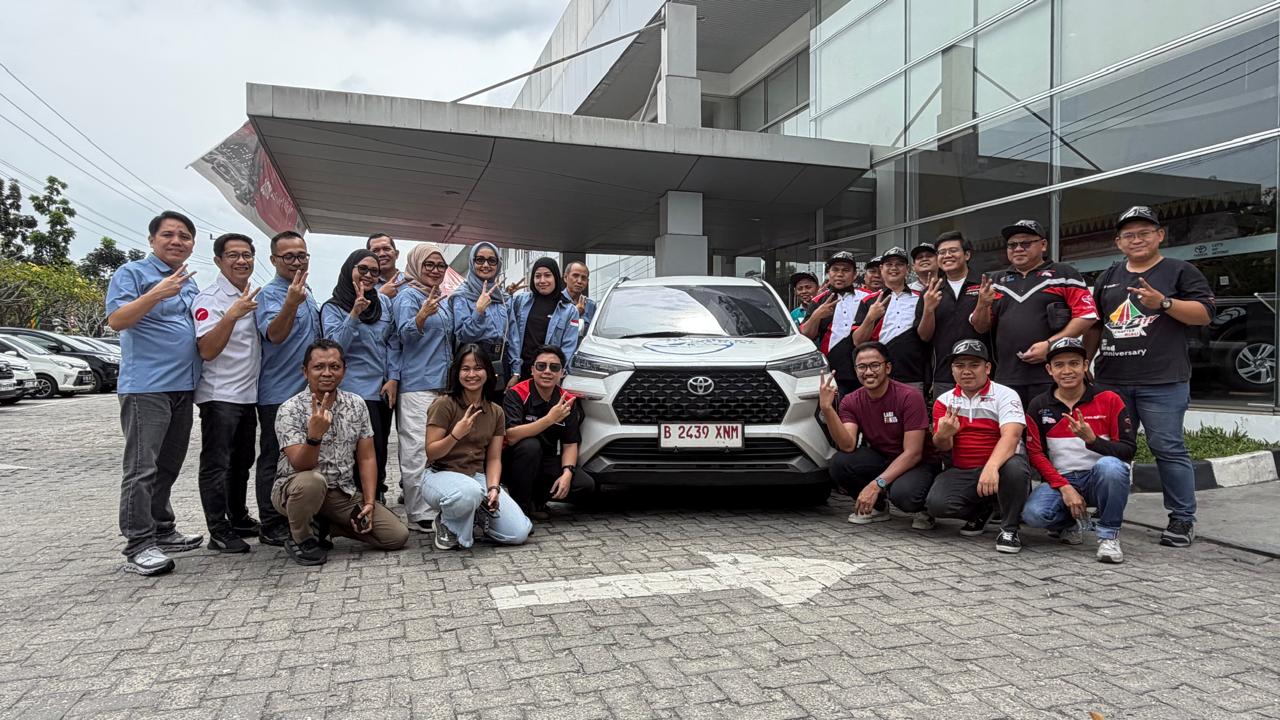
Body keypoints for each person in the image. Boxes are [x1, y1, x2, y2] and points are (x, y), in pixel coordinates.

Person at [1086, 206, 1215, 548]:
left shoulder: (1180, 271)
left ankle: (1182, 518)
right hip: (1112, 379)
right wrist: (1084, 361)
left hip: (1162, 381)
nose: (1137, 239)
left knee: (1167, 448)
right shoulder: (1108, 276)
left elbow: (1204, 314)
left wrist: (1165, 303)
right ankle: (1107, 513)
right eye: (1129, 235)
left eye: (1144, 233)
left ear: (1160, 236)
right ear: (1118, 242)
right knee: (1111, 449)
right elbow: (1096, 325)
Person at [105, 210, 205, 576]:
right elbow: (117, 320)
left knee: (168, 464)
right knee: (141, 468)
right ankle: (138, 545)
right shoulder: (132, 273)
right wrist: (156, 293)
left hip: (183, 386)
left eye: (184, 236)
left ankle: (163, 529)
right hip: (146, 387)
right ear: (152, 240)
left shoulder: (189, 282)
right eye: (168, 234)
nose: (177, 241)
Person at [271, 339, 409, 565]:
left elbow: (367, 458)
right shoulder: (290, 409)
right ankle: (301, 538)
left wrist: (369, 502)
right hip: (296, 489)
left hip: (341, 492)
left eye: (334, 367)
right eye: (319, 367)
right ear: (305, 371)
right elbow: (301, 465)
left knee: (396, 536)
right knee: (312, 482)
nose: (327, 373)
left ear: (344, 370)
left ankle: (326, 525)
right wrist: (314, 436)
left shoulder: (356, 404)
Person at [1022, 338, 1136, 564]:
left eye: (1074, 363)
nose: (1067, 371)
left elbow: (1128, 450)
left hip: (1098, 477)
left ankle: (1109, 536)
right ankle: (1069, 523)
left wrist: (1093, 441)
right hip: (1062, 480)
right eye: (1059, 365)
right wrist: (1064, 487)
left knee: (1111, 467)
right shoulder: (1039, 405)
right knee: (1033, 515)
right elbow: (1035, 454)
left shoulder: (1109, 399)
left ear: (1085, 366)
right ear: (1049, 370)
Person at [971, 219, 1098, 408]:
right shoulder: (995, 281)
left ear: (1043, 245)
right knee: (1013, 426)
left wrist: (1050, 345)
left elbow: (1087, 316)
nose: (1018, 249)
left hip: (1054, 375)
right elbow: (980, 327)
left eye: (1025, 243)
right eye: (1012, 245)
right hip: (1007, 377)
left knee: (1056, 425)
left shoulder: (1064, 273)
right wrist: (982, 304)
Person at [420, 344, 532, 550]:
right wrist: (456, 434)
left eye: (478, 368)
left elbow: (494, 458)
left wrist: (493, 488)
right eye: (465, 369)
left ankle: (476, 513)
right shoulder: (444, 404)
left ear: (489, 372)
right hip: (439, 475)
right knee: (469, 493)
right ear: (457, 373)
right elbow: (432, 452)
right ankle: (447, 523)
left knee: (518, 532)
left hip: (476, 478)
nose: (472, 374)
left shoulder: (496, 411)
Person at [925, 339, 1032, 554]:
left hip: (1001, 467)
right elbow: (943, 446)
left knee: (1015, 468)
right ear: (952, 370)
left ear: (988, 368)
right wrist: (943, 434)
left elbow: (1011, 436)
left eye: (974, 365)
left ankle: (1009, 529)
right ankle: (982, 510)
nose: (966, 371)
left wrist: (991, 467)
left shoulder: (1005, 394)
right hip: (964, 469)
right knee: (937, 504)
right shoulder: (944, 400)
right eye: (959, 366)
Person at [192, 233, 262, 553]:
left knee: (242, 461)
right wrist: (232, 314)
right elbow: (207, 349)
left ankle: (238, 517)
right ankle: (218, 530)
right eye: (233, 255)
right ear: (218, 261)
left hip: (247, 395)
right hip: (220, 395)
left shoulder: (250, 293)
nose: (241, 261)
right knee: (216, 464)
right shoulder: (210, 299)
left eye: (246, 255)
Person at [821, 342, 937, 529]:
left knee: (905, 496)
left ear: (888, 367)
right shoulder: (851, 401)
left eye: (875, 365)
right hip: (883, 458)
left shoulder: (909, 396)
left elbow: (913, 453)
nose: (868, 372)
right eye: (862, 367)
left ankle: (923, 508)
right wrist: (827, 409)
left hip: (917, 463)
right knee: (839, 463)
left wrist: (876, 484)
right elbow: (847, 445)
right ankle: (877, 507)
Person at [254, 230, 320, 547]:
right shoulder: (270, 295)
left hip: (308, 395)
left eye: (301, 255)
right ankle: (270, 522)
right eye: (289, 256)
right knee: (273, 457)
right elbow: (275, 334)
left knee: (306, 456)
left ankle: (300, 516)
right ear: (274, 260)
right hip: (278, 394)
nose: (296, 262)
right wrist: (291, 304)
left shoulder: (308, 291)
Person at [321, 249, 398, 503]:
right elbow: (334, 350)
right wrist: (354, 314)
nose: (368, 275)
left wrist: (393, 377)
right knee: (351, 454)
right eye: (362, 269)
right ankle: (350, 505)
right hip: (351, 392)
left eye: (374, 271)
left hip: (380, 391)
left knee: (379, 450)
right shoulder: (333, 307)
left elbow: (392, 342)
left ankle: (374, 501)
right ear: (349, 270)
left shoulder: (383, 303)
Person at [393, 242, 453, 533]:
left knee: (436, 449)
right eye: (429, 264)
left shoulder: (439, 297)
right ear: (416, 265)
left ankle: (434, 504)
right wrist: (421, 316)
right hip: (417, 384)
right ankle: (418, 512)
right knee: (416, 449)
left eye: (440, 265)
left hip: (441, 385)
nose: (435, 270)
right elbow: (402, 337)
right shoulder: (407, 296)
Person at [503, 345, 595, 520]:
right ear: (532, 370)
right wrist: (550, 419)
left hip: (546, 461)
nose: (547, 371)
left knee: (584, 484)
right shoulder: (516, 394)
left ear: (562, 373)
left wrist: (567, 472)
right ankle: (520, 512)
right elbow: (512, 436)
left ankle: (537, 501)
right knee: (530, 446)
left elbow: (570, 444)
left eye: (554, 367)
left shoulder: (567, 400)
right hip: (513, 461)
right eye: (541, 366)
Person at [916, 231, 987, 400]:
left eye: (953, 250)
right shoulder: (930, 291)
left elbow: (986, 327)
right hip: (944, 375)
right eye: (942, 252)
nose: (947, 255)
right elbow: (924, 336)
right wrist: (928, 309)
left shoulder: (984, 284)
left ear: (967, 255)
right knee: (946, 417)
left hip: (982, 372)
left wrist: (983, 303)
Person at [851, 247, 929, 392]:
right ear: (881, 268)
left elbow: (928, 336)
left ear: (907, 269)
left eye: (899, 264)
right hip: (877, 375)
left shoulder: (922, 297)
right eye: (889, 264)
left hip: (913, 374)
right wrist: (870, 318)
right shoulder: (869, 301)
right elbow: (857, 341)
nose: (894, 268)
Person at [801, 251, 873, 396]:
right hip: (833, 371)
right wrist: (816, 316)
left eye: (845, 270)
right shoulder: (818, 301)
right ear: (829, 273)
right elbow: (805, 335)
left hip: (867, 369)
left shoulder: (869, 298)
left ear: (854, 274)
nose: (840, 274)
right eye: (835, 270)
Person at [447, 242, 510, 401]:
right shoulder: (462, 296)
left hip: (501, 360)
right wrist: (479, 311)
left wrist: (515, 370)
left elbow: (513, 336)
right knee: (473, 407)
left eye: (492, 260)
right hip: (473, 360)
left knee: (497, 409)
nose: (486, 265)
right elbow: (463, 335)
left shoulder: (503, 297)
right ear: (472, 262)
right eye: (480, 260)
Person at [507, 258, 580, 385]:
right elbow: (510, 333)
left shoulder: (570, 310)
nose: (542, 281)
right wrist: (507, 294)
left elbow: (568, 348)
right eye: (537, 276)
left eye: (547, 275)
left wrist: (555, 372)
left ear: (556, 277)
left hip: (547, 375)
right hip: (520, 373)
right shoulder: (520, 301)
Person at [367, 233, 408, 299]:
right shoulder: (364, 285)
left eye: (386, 249)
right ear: (368, 257)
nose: (382, 254)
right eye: (375, 251)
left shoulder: (411, 281)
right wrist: (381, 295)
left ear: (396, 254)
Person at [564, 260, 597, 336]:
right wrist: (576, 313)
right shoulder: (556, 301)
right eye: (575, 276)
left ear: (587, 281)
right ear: (565, 277)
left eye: (583, 278)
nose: (579, 281)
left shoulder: (591, 305)